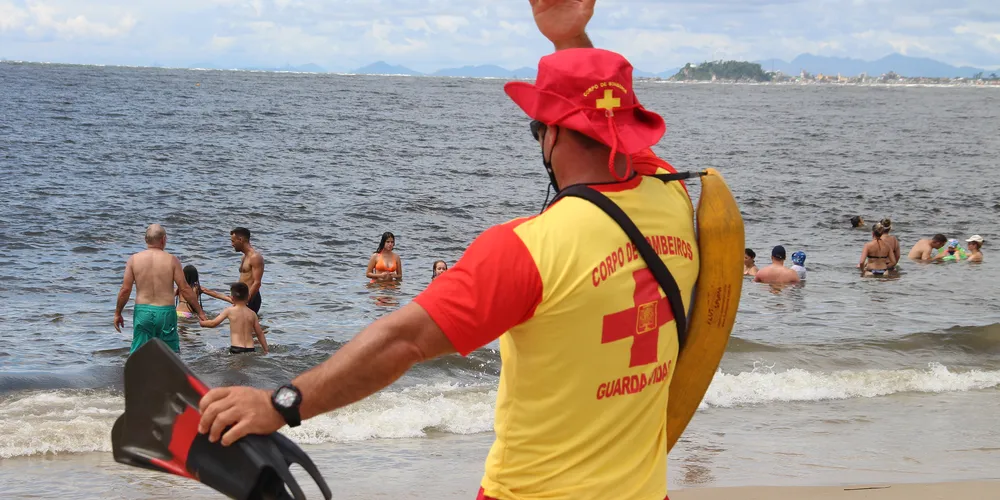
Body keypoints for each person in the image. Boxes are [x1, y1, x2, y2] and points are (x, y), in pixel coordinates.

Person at [197, 3, 702, 499]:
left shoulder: (529, 249)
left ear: (549, 135)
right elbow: (610, 132)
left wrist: (281, 403)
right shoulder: (672, 197)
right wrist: (569, 40)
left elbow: (402, 340)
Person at [115, 224, 206, 354]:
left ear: (146, 239)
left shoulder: (134, 260)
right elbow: (185, 289)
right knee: (170, 354)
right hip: (166, 313)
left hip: (143, 312)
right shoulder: (172, 260)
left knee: (140, 352)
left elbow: (125, 290)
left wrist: (118, 313)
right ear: (163, 239)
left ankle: (138, 372)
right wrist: (200, 312)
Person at [202, 227, 265, 314]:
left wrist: (246, 300)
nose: (232, 244)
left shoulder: (255, 257)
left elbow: (257, 283)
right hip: (242, 297)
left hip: (250, 297)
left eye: (233, 241)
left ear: (241, 239)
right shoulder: (244, 257)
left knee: (245, 325)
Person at [199, 282, 269, 355]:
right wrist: (266, 350)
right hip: (251, 349)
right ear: (248, 297)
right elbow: (259, 333)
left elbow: (213, 323)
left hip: (236, 349)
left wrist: (202, 323)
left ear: (232, 298)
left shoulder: (229, 311)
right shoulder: (252, 314)